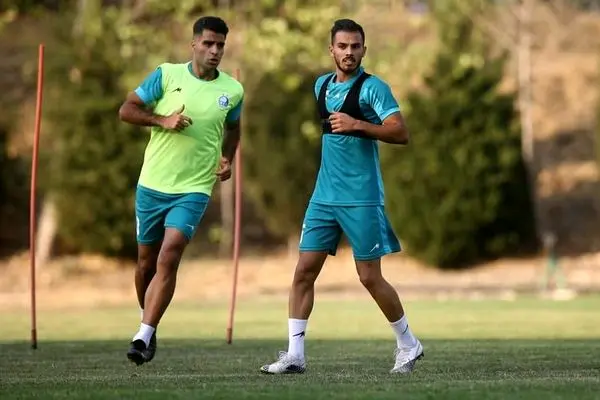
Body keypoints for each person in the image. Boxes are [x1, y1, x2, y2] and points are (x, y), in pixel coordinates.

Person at [260, 18, 423, 375]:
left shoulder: (374, 88)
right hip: (323, 197)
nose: (349, 52)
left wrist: (358, 124)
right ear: (331, 49)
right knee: (303, 272)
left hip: (362, 197)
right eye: (342, 46)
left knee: (369, 277)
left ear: (364, 50)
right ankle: (295, 355)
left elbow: (400, 132)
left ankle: (409, 344)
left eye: (355, 46)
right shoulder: (320, 85)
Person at [118, 16, 243, 365]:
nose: (214, 50)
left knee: (169, 254)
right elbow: (126, 110)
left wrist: (228, 159)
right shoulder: (166, 75)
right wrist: (162, 120)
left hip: (195, 187)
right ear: (194, 44)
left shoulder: (233, 90)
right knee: (146, 264)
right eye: (208, 43)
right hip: (152, 185)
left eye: (220, 45)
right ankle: (149, 321)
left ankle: (143, 336)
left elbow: (234, 129)